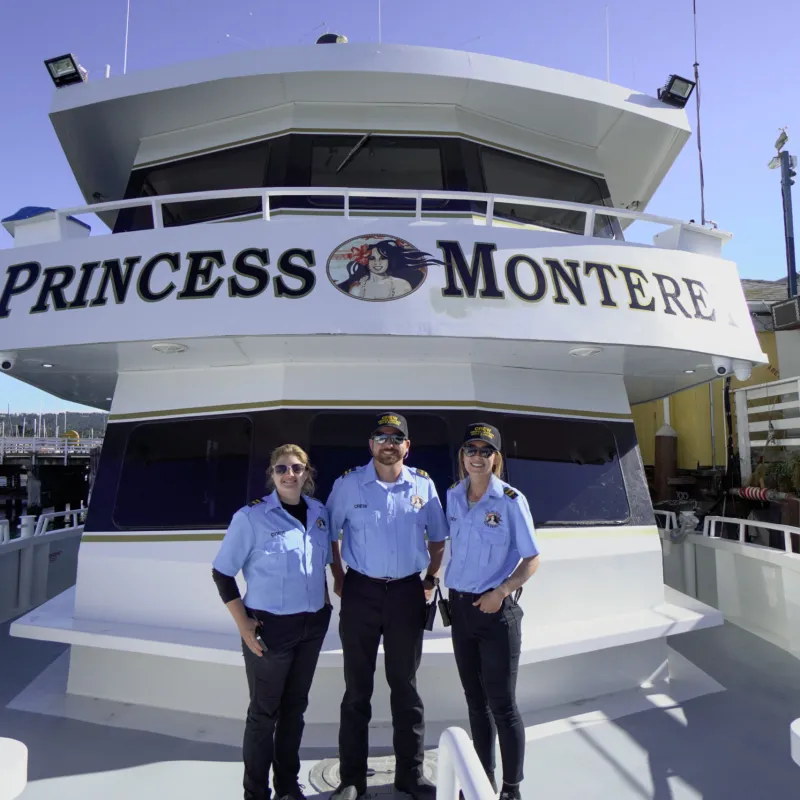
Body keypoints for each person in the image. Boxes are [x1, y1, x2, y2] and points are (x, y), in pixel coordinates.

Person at [326, 412, 448, 800]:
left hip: (406, 595)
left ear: (407, 447)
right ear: (371, 445)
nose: (389, 444)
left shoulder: (424, 485)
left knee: (405, 687)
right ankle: (351, 780)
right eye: (381, 437)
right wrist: (340, 578)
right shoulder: (347, 485)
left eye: (397, 438)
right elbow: (331, 533)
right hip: (361, 593)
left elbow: (438, 538)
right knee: (356, 690)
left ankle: (410, 775)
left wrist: (429, 579)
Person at [211, 444, 334, 800]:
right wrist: (243, 624)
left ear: (307, 473)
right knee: (264, 715)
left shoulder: (319, 513)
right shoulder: (251, 518)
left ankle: (286, 786)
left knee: (294, 710)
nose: (289, 475)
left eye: (297, 468)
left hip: (311, 627)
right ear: (272, 474)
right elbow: (222, 573)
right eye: (282, 469)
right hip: (269, 630)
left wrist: (324, 604)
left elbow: (321, 564)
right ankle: (256, 793)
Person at [444, 423, 540, 800]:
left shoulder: (512, 501)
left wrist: (501, 591)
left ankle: (511, 788)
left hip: (495, 613)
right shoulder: (452, 495)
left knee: (503, 705)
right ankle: (480, 778)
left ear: (496, 458)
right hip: (460, 610)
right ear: (462, 456)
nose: (477, 457)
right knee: (475, 703)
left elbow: (532, 558)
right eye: (471, 449)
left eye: (486, 451)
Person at [336, 238, 442, 300]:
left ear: (389, 260)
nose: (377, 262)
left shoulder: (403, 285)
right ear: (365, 261)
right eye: (372, 258)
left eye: (383, 258)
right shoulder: (356, 288)